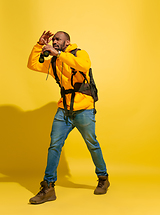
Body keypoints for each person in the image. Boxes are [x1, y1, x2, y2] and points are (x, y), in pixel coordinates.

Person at [27, 31, 110, 204]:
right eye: (53, 40)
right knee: (54, 146)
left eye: (58, 39)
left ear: (67, 42)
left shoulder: (79, 54)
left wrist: (58, 53)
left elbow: (83, 66)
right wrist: (38, 45)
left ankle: (103, 178)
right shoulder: (55, 62)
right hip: (63, 110)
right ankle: (48, 187)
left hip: (84, 109)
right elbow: (33, 64)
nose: (54, 41)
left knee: (92, 144)